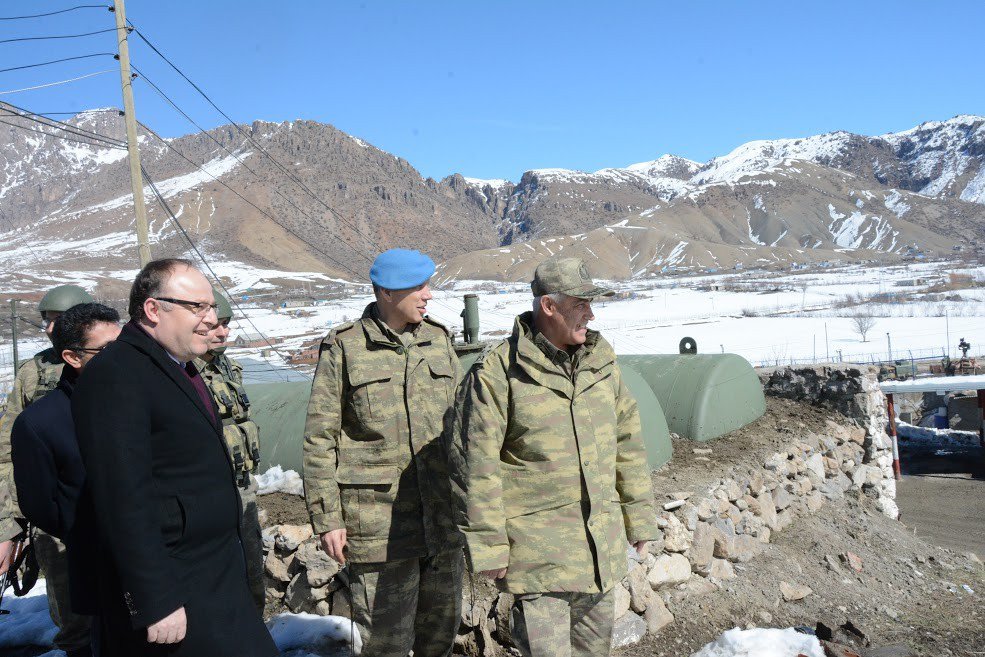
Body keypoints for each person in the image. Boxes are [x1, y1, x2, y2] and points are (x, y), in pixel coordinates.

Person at [449, 256, 659, 657]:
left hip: (599, 547)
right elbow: (475, 465)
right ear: (549, 306)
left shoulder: (601, 364)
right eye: (580, 304)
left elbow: (627, 445)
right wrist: (490, 545)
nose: (591, 314)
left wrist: (639, 517)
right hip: (539, 557)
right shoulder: (498, 373)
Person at [71, 258, 277, 657]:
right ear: (153, 309)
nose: (210, 318)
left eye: (212, 307)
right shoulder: (117, 375)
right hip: (174, 586)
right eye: (197, 307)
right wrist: (154, 598)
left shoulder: (177, 366)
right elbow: (121, 497)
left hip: (212, 573)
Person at [303, 248, 464, 657]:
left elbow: (463, 428)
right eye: (420, 287)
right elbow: (320, 438)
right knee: (385, 645)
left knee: (439, 638)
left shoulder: (439, 340)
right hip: (379, 525)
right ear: (389, 292)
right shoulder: (345, 347)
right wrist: (328, 517)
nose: (429, 295)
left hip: (443, 519)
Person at [10, 303, 121, 653]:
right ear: (72, 357)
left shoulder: (144, 399)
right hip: (95, 561)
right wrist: (87, 530)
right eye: (107, 350)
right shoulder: (40, 422)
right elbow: (42, 505)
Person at [0, 284, 94, 655]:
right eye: (47, 321)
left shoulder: (111, 362)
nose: (52, 328)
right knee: (73, 618)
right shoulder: (32, 372)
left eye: (60, 320)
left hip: (107, 505)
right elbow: (8, 452)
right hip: (53, 516)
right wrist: (10, 525)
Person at [193, 289, 265, 612]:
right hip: (207, 490)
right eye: (216, 325)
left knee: (252, 563)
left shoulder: (228, 368)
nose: (223, 332)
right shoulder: (184, 372)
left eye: (226, 325)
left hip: (242, 484)